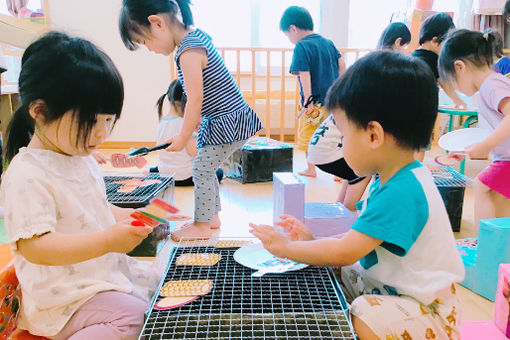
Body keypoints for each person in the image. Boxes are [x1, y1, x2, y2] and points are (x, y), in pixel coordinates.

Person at [250, 51, 464, 340]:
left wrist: (286, 248)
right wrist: (312, 243)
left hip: (429, 315)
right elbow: (353, 241)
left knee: (363, 312)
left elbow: (345, 250)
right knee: (339, 271)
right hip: (399, 294)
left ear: (373, 135)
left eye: (343, 136)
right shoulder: (388, 179)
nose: (342, 146)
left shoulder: (403, 190)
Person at [0, 32, 161, 339]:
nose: (101, 134)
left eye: (108, 120)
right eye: (90, 121)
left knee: (157, 282)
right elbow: (36, 247)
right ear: (40, 111)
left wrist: (125, 217)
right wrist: (108, 241)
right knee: (134, 318)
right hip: (63, 298)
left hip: (96, 277)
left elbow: (92, 205)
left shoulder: (78, 156)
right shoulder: (27, 174)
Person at [119, 0, 262, 241]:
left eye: (145, 42)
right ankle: (211, 218)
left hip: (227, 120)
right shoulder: (195, 37)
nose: (150, 49)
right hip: (223, 118)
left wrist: (184, 135)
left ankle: (202, 224)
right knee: (205, 167)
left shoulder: (187, 51)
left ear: (157, 23)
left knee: (202, 169)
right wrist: (191, 126)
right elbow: (205, 93)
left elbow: (195, 99)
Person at [439, 29, 510, 230]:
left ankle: (484, 244)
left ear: (460, 67)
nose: (458, 90)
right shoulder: (491, 84)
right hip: (505, 158)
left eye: (454, 83)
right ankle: (500, 245)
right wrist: (471, 148)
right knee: (497, 195)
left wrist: (486, 146)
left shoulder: (491, 84)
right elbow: (499, 128)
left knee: (481, 186)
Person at [280, 6, 345, 178]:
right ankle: (340, 173)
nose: (289, 39)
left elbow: (304, 74)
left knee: (309, 135)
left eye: (287, 35)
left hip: (314, 104)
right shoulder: (328, 43)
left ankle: (311, 169)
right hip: (333, 102)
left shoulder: (302, 46)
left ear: (293, 28)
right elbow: (342, 65)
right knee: (335, 136)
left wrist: (307, 100)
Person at [411, 12, 467, 162]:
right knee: (419, 148)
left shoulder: (413, 56)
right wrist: (459, 101)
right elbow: (445, 83)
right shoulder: (435, 59)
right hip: (422, 113)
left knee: (407, 148)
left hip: (406, 110)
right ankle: (415, 174)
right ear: (435, 41)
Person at [150, 79, 224, 186]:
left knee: (168, 162)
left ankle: (153, 170)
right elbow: (194, 151)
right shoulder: (185, 124)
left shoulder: (162, 122)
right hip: (184, 176)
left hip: (165, 174)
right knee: (219, 172)